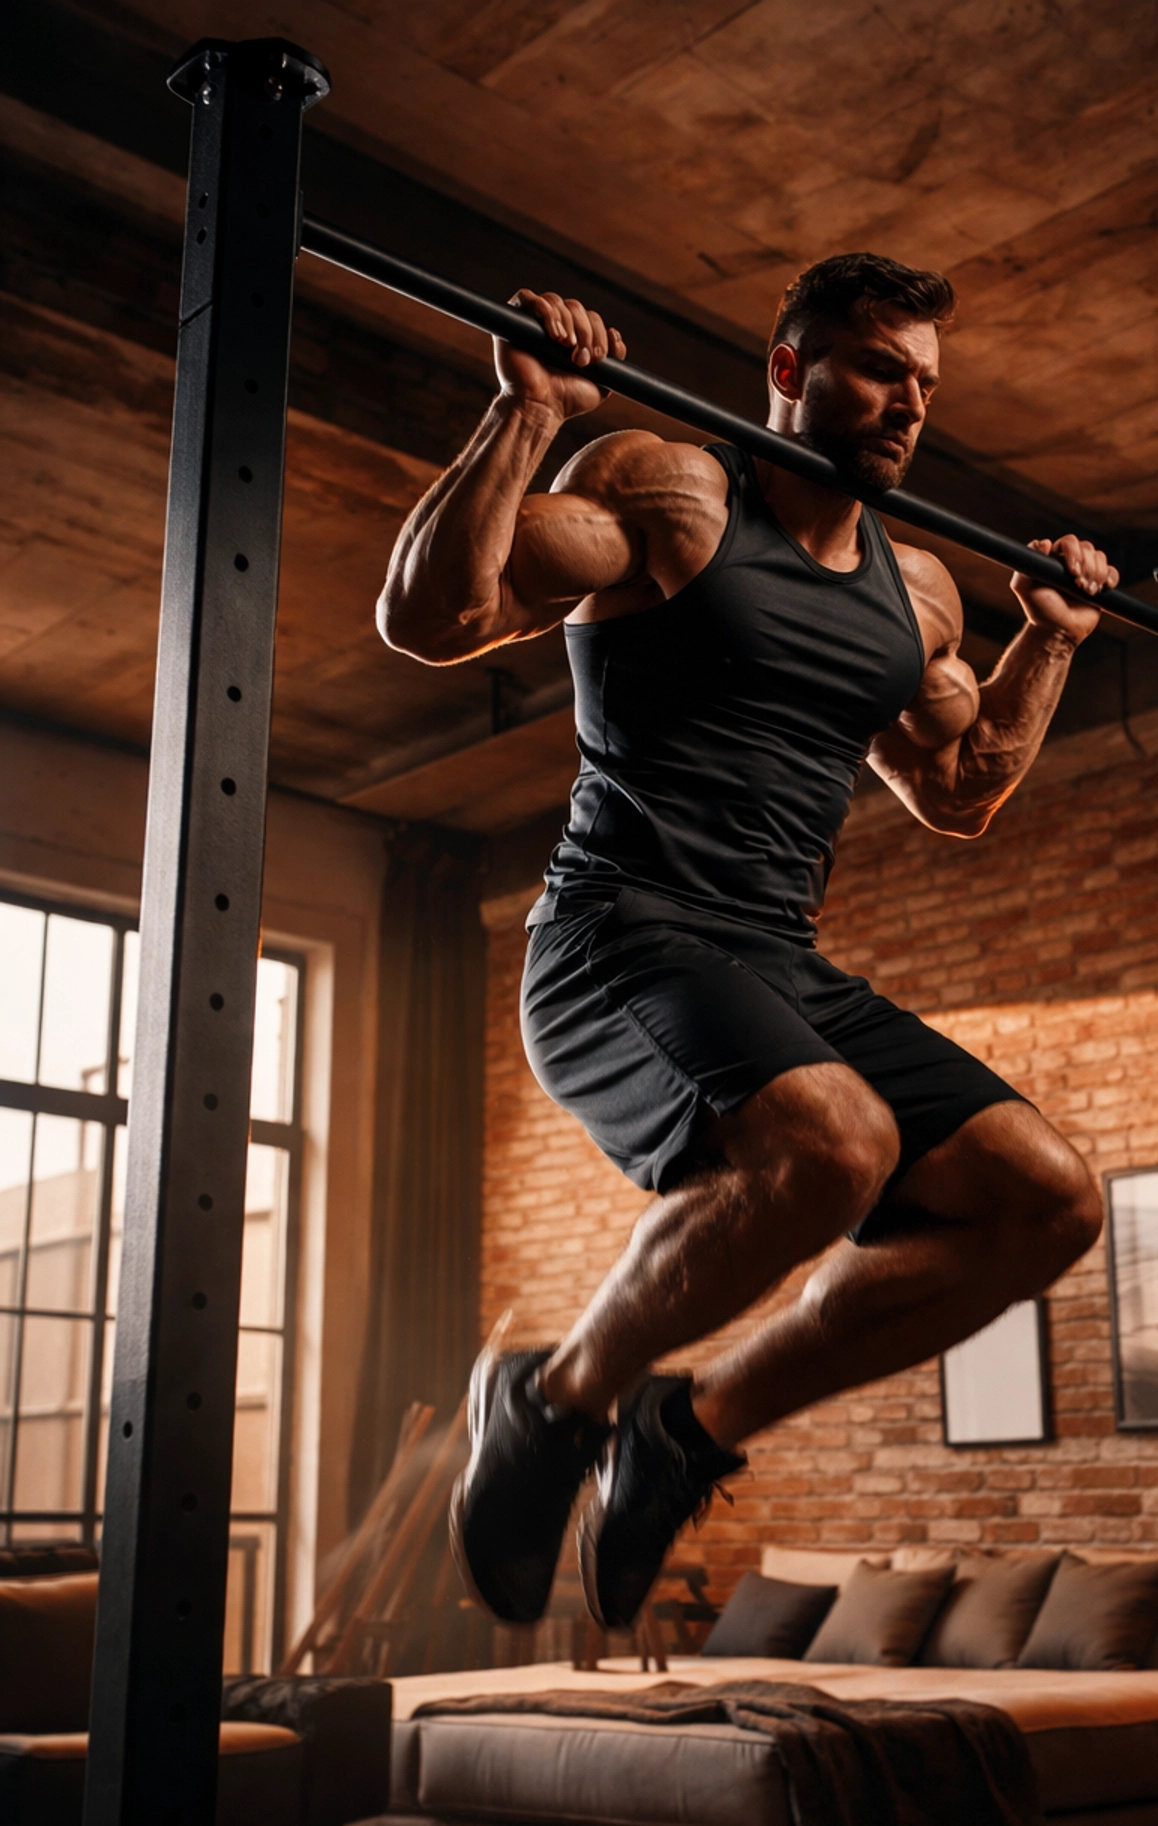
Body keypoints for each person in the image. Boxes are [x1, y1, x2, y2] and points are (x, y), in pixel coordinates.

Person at [377, 253, 1116, 1634]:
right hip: (617, 937)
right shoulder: (672, 494)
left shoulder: (925, 594)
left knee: (1048, 1199)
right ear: (790, 369)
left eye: (926, 383)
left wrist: (1053, 642)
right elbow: (435, 617)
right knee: (835, 1146)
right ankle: (552, 1400)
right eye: (881, 368)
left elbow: (956, 793)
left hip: (772, 958)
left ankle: (687, 1430)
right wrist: (526, 415)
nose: (909, 404)